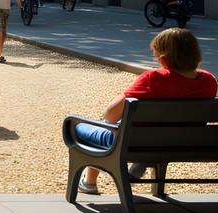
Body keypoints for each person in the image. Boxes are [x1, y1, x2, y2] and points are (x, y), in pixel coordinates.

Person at [75, 28, 217, 194]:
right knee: (146, 131)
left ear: (163, 60)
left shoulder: (154, 78)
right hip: (185, 142)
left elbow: (111, 115)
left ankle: (90, 182)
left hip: (134, 143)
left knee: (80, 126)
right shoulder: (208, 80)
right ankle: (142, 161)